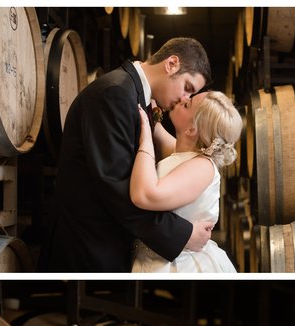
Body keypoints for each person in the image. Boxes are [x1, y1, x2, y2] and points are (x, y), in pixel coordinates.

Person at [38, 37, 215, 272]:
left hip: (103, 242)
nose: (185, 98)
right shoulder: (115, 93)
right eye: (187, 87)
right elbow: (116, 187)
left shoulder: (134, 94)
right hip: (86, 247)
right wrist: (182, 234)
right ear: (171, 64)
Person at [130, 91, 242, 272]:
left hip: (177, 265)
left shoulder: (202, 167)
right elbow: (159, 133)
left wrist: (145, 140)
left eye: (188, 104)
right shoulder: (184, 153)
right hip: (159, 254)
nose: (182, 98)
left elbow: (146, 195)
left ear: (192, 130)